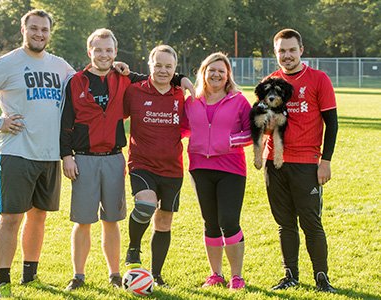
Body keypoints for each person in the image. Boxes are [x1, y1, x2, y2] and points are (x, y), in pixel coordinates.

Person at [60, 29, 193, 291]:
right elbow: (65, 123)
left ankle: (114, 274)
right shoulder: (76, 81)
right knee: (83, 221)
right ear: (90, 52)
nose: (104, 55)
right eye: (98, 50)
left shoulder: (124, 79)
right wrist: (66, 156)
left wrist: (181, 77)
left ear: (115, 53)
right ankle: (78, 275)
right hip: (83, 159)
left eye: (109, 50)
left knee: (112, 220)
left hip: (113, 158)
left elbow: (157, 77)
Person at [0, 9, 75, 298]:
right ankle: (3, 280)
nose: (39, 34)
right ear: (23, 30)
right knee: (11, 218)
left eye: (44, 30)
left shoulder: (60, 66)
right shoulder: (9, 63)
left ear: (51, 32)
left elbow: (87, 85)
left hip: (49, 155)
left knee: (39, 217)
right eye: (34, 28)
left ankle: (31, 276)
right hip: (16, 153)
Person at [265, 28, 338, 293]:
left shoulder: (318, 79)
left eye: (291, 50)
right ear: (276, 53)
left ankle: (321, 277)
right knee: (285, 223)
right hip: (275, 163)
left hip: (307, 163)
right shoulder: (269, 82)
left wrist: (326, 160)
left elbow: (332, 124)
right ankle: (290, 275)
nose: (287, 55)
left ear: (301, 50)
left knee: (311, 222)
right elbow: (264, 125)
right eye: (282, 51)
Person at [181, 52, 252, 290]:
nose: (216, 74)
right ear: (203, 72)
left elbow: (253, 132)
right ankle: (215, 274)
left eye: (222, 70)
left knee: (229, 221)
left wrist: (227, 142)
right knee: (210, 222)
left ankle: (237, 276)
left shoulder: (239, 100)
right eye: (212, 69)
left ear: (228, 75)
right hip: (200, 168)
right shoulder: (191, 102)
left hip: (231, 168)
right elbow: (180, 129)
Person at [123, 45, 184, 288]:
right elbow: (117, 116)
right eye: (158, 65)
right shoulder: (135, 91)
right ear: (149, 65)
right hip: (142, 163)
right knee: (146, 204)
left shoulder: (181, 94)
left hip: (172, 168)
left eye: (168, 66)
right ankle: (133, 248)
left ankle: (156, 276)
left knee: (164, 222)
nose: (163, 70)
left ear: (175, 69)